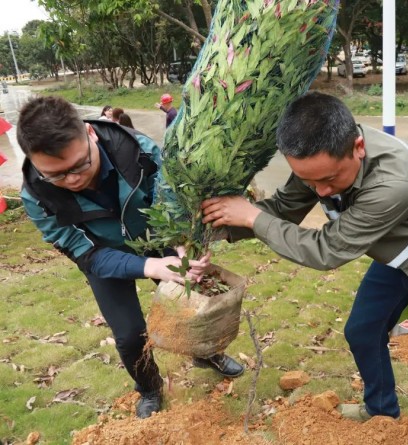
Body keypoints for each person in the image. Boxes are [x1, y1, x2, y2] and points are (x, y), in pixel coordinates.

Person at [201, 92, 408, 444]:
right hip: (399, 247)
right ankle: (380, 409)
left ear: (358, 147)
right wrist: (218, 226)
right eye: (310, 182)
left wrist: (252, 217)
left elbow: (327, 250)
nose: (320, 191)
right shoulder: (320, 158)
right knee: (362, 331)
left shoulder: (394, 182)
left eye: (328, 180)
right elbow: (283, 209)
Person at [17, 96, 244, 420]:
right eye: (56, 175)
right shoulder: (36, 196)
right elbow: (84, 253)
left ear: (90, 134)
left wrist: (182, 245)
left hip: (155, 235)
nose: (72, 180)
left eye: (79, 165)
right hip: (103, 255)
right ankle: (150, 388)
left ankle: (206, 353)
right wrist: (152, 267)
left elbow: (172, 203)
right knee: (128, 335)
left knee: (194, 302)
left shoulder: (140, 152)